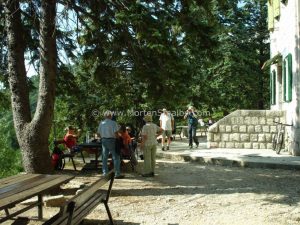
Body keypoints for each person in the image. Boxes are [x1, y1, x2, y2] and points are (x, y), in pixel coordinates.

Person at [98, 110, 124, 179]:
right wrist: (119, 139)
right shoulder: (113, 123)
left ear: (105, 116)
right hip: (112, 140)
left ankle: (105, 173)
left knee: (104, 157)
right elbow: (116, 133)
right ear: (110, 116)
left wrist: (102, 138)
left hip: (104, 140)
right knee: (116, 157)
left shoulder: (101, 123)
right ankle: (117, 173)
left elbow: (98, 133)